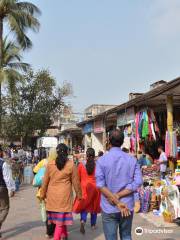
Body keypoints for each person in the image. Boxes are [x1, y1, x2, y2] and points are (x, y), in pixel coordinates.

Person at [96, 129, 143, 240]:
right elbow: (138, 182)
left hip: (109, 207)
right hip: (126, 205)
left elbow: (100, 185)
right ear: (122, 142)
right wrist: (118, 197)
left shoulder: (101, 161)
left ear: (108, 141)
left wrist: (116, 199)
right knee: (126, 236)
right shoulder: (132, 160)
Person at [40, 144, 82, 240]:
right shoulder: (71, 164)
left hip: (52, 197)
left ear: (57, 153)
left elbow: (45, 182)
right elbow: (76, 183)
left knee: (59, 221)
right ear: (67, 153)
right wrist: (79, 195)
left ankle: (64, 236)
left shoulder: (50, 164)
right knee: (60, 222)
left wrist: (42, 195)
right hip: (64, 197)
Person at [73, 148, 101, 234]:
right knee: (94, 206)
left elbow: (78, 178)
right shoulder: (97, 165)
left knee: (84, 206)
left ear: (87, 155)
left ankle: (83, 221)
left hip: (84, 188)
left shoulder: (81, 165)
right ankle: (93, 225)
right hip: (95, 188)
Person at [34, 148, 57, 239]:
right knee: (54, 210)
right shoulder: (58, 162)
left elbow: (34, 171)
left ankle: (48, 232)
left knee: (45, 210)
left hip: (43, 190)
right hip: (54, 190)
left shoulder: (43, 161)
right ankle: (54, 229)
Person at [0, 152, 15, 238]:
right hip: (2, 188)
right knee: (5, 208)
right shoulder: (3, 163)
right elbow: (7, 178)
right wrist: (11, 189)